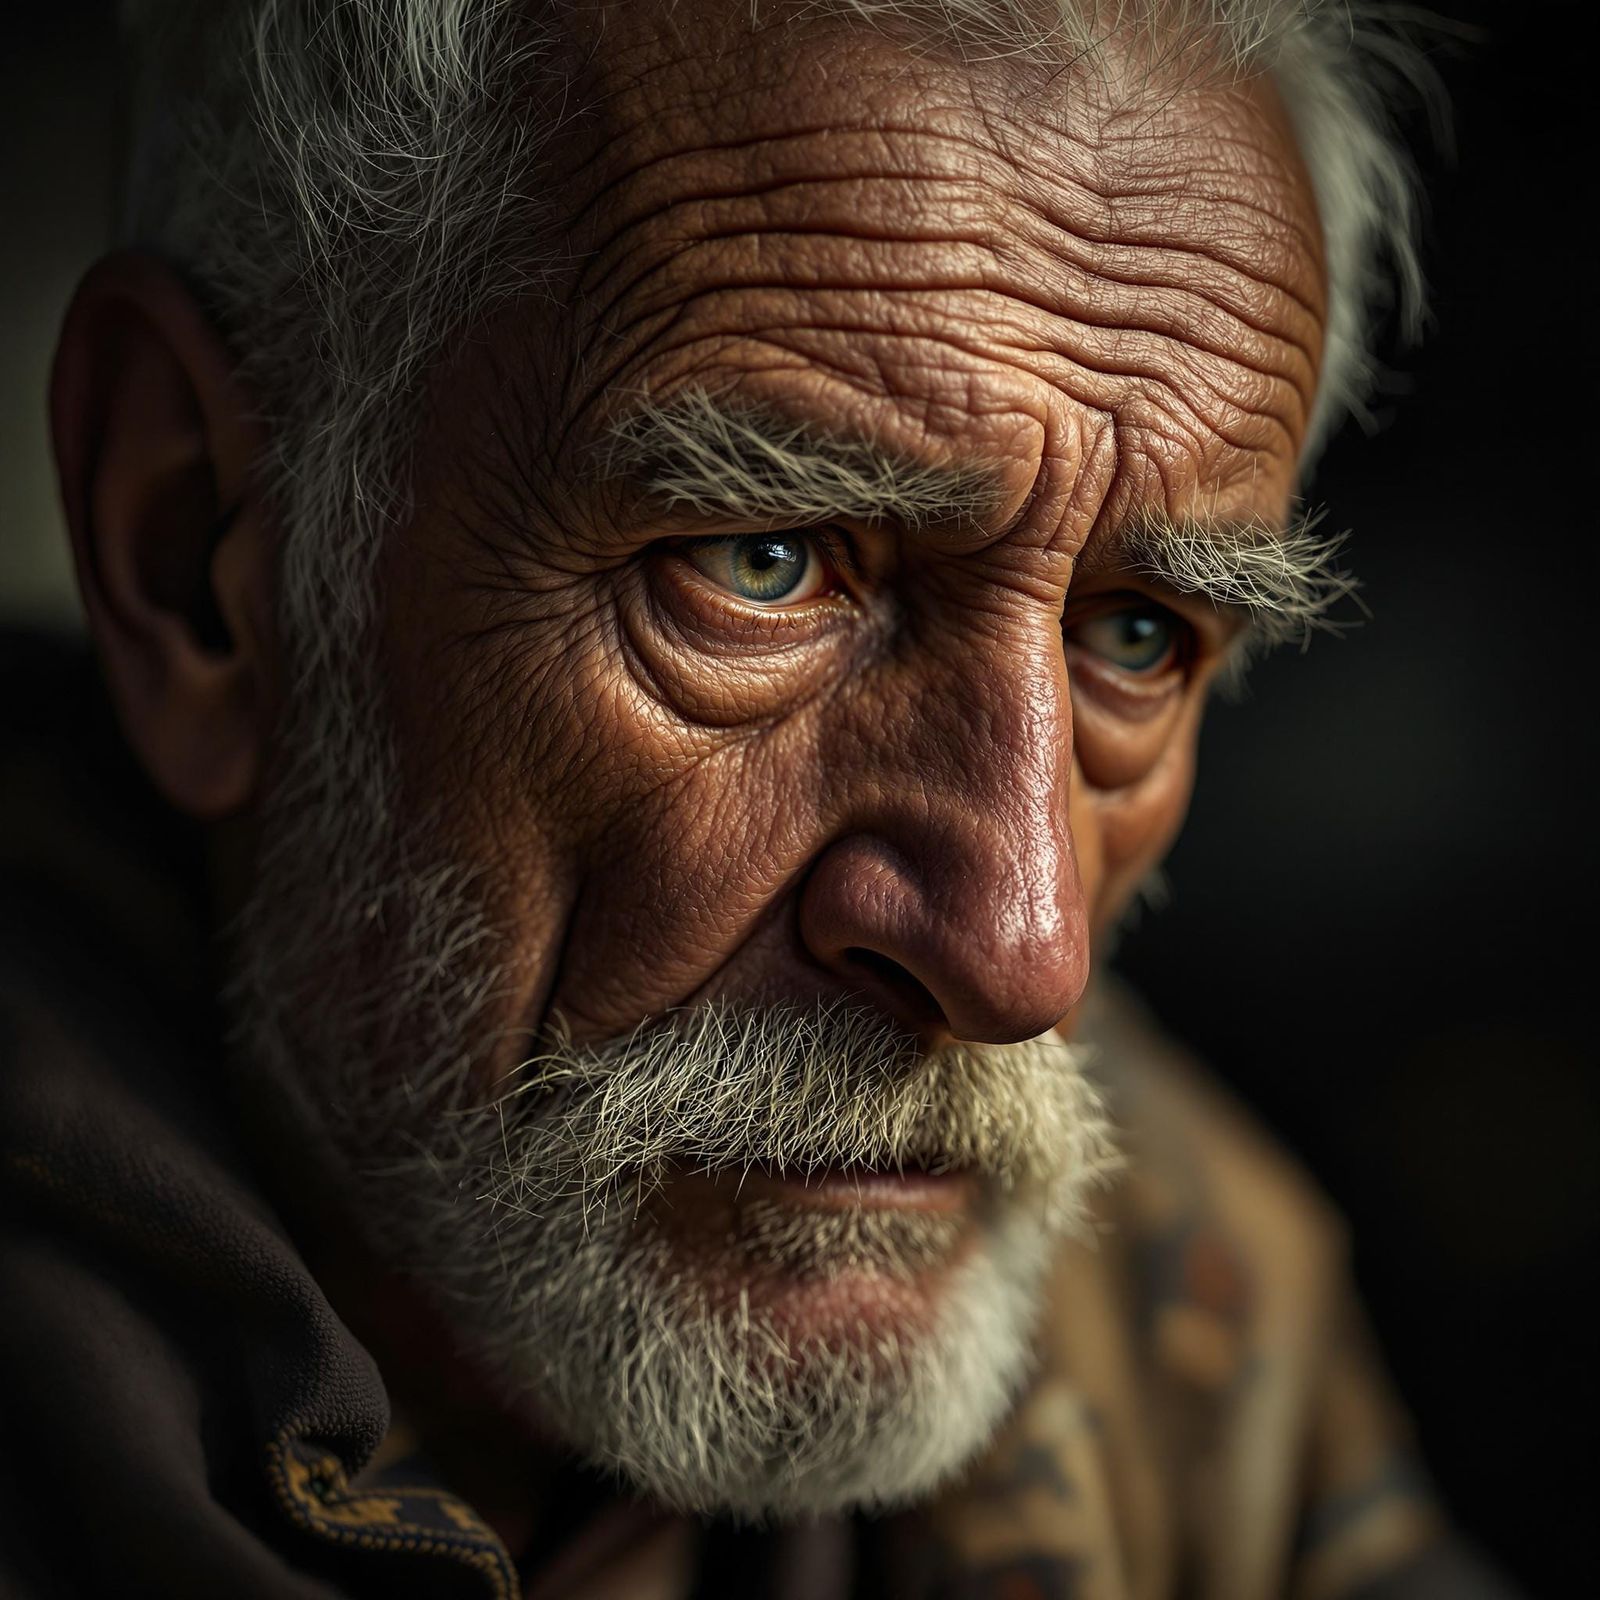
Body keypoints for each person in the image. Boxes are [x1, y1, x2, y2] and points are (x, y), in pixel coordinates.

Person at [0, 1, 1520, 1595]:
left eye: (1137, 634)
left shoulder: (1201, 1340)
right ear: (193, 556)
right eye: (765, 562)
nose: (1020, 953)